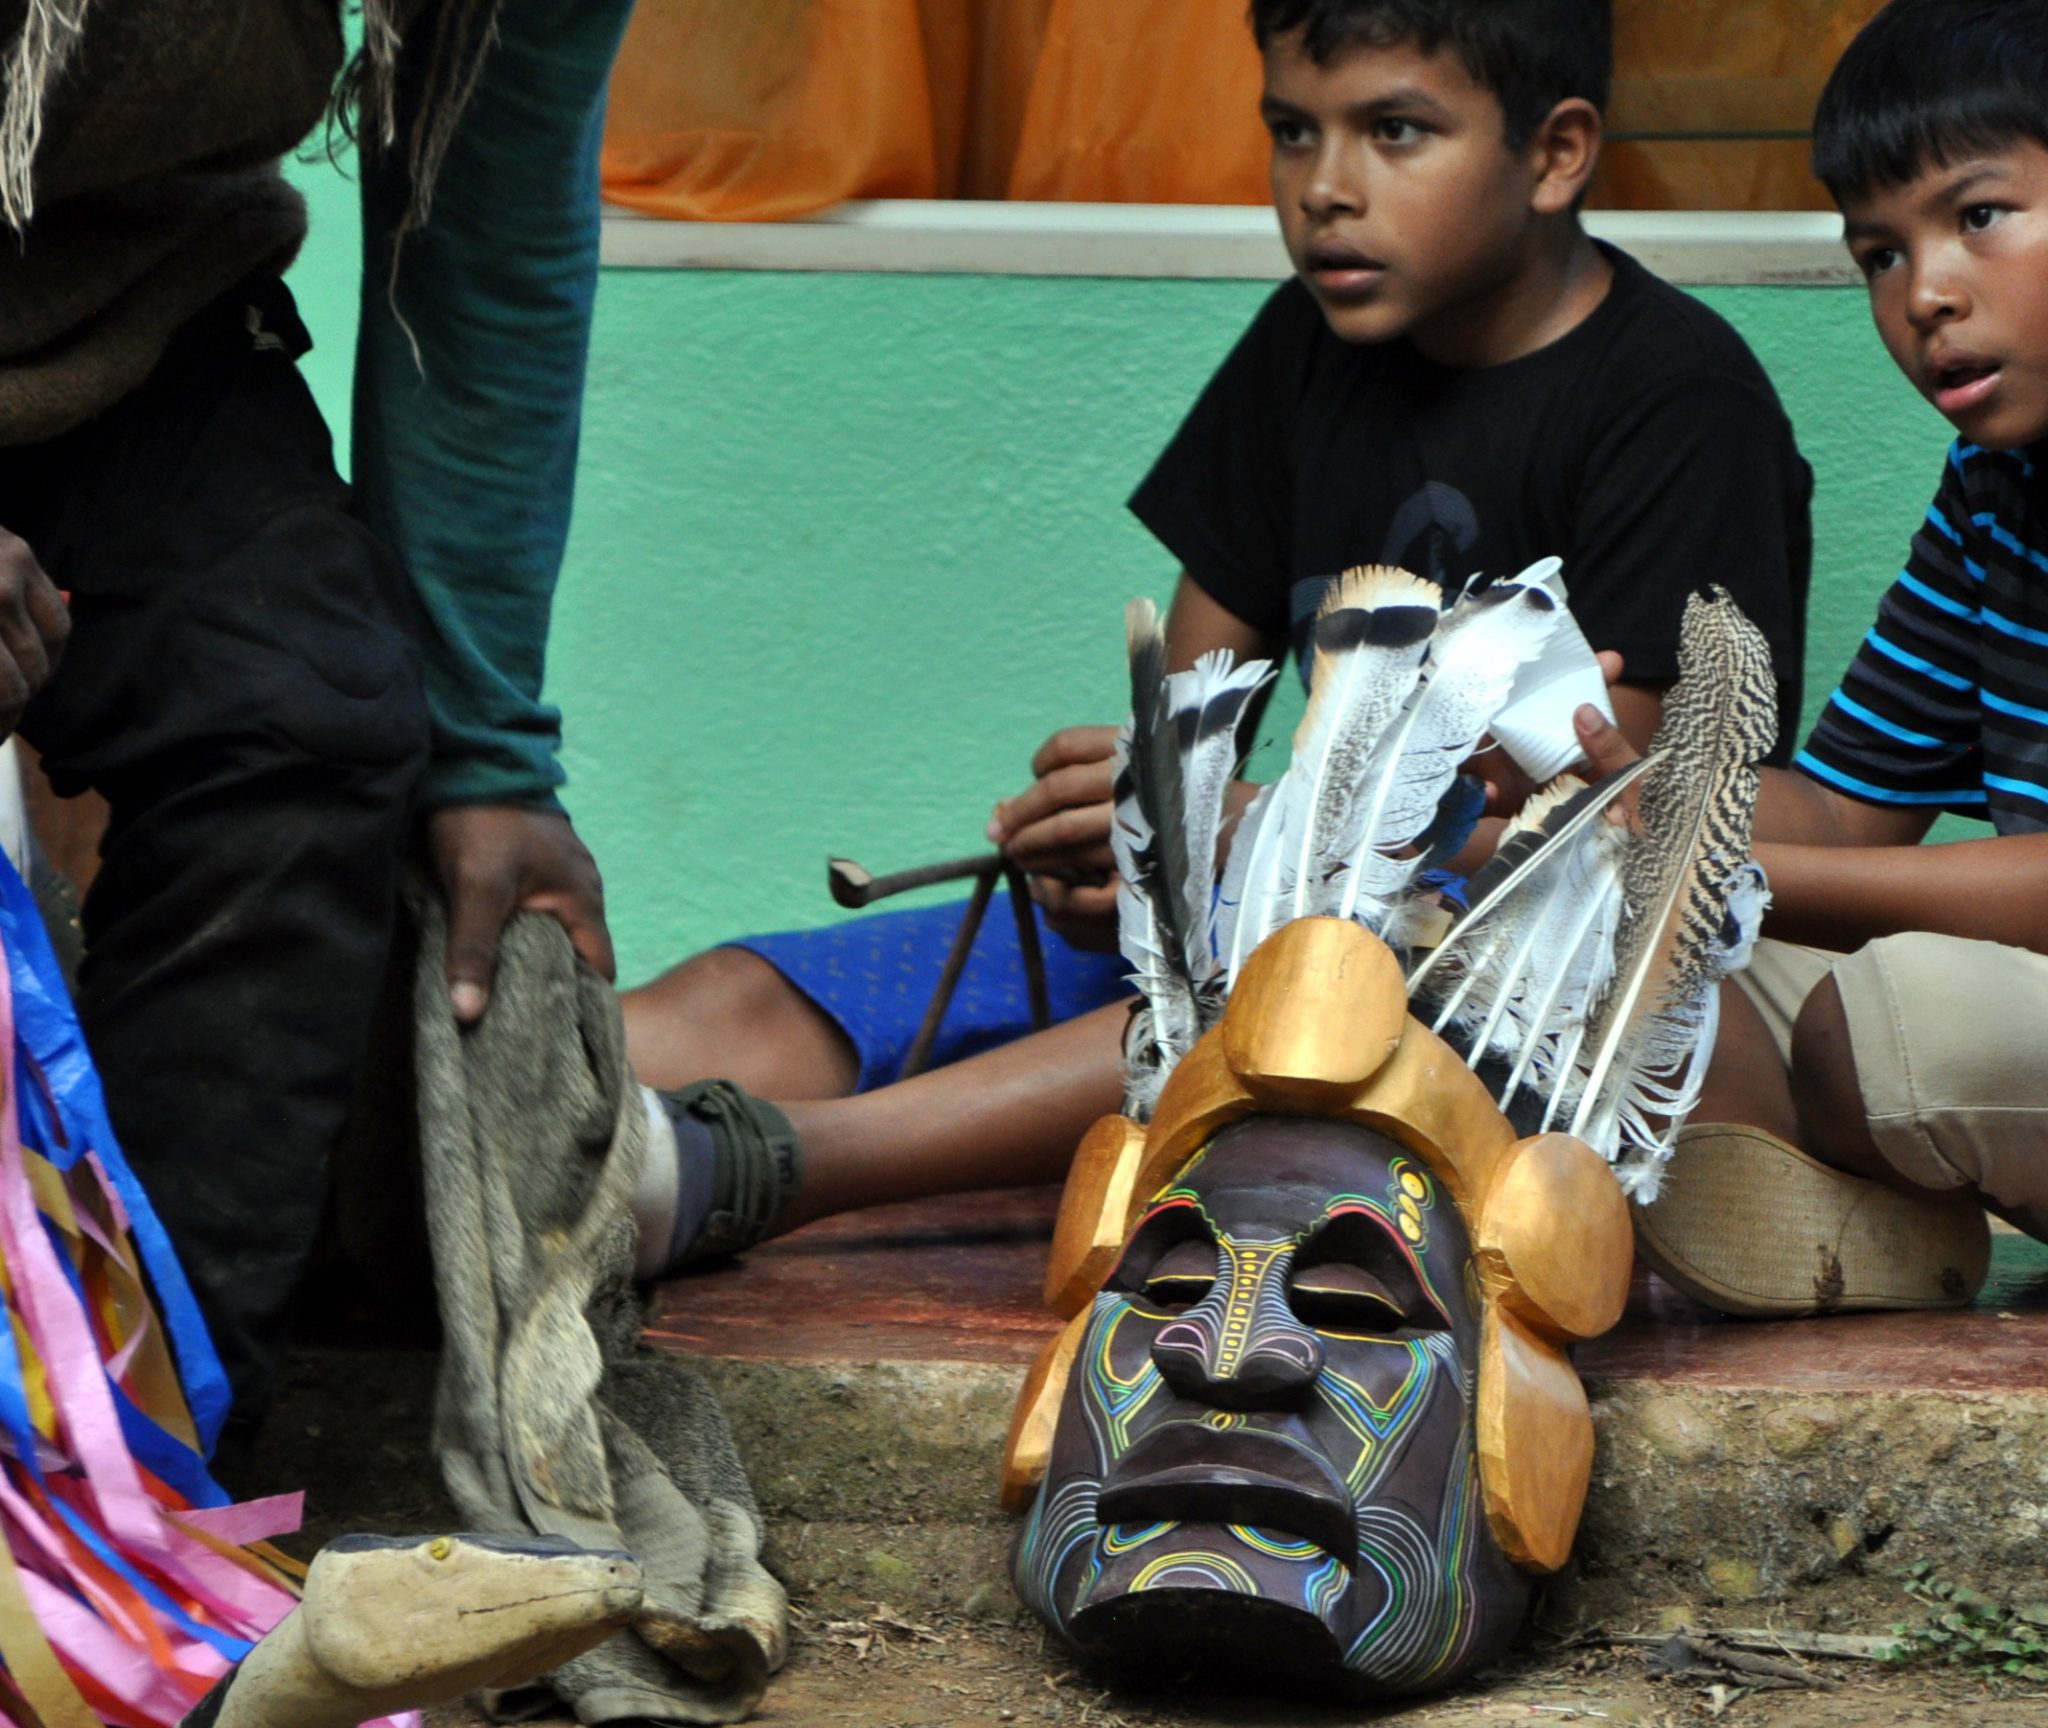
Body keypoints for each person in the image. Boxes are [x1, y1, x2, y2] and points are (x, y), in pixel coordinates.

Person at [625, 0, 1815, 1278]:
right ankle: (467, 1114)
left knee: (1312, 989)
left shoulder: (1678, 404)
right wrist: (1130, 847)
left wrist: (1253, 835)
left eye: (1394, 132)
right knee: (728, 1008)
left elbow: (1608, 857)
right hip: (1258, 928)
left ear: (1555, 153)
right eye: (1290, 133)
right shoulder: (1300, 352)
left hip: (1494, 984)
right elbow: (1187, 723)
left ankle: (756, 1168)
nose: (1324, 190)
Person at [0, 0, 627, 1434]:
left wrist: (484, 754)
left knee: (305, 712)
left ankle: (133, 1514)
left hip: (124, 295)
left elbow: (489, 212)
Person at [1587, 0, 2048, 1317]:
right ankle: (1859, 1237)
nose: (1928, 294)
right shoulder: (1993, 491)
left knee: (1888, 1019)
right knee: (1621, 938)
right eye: (1879, 255)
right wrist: (1638, 802)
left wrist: (1734, 871)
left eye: (1979, 216)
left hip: (1978, 1005)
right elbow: (1850, 804)